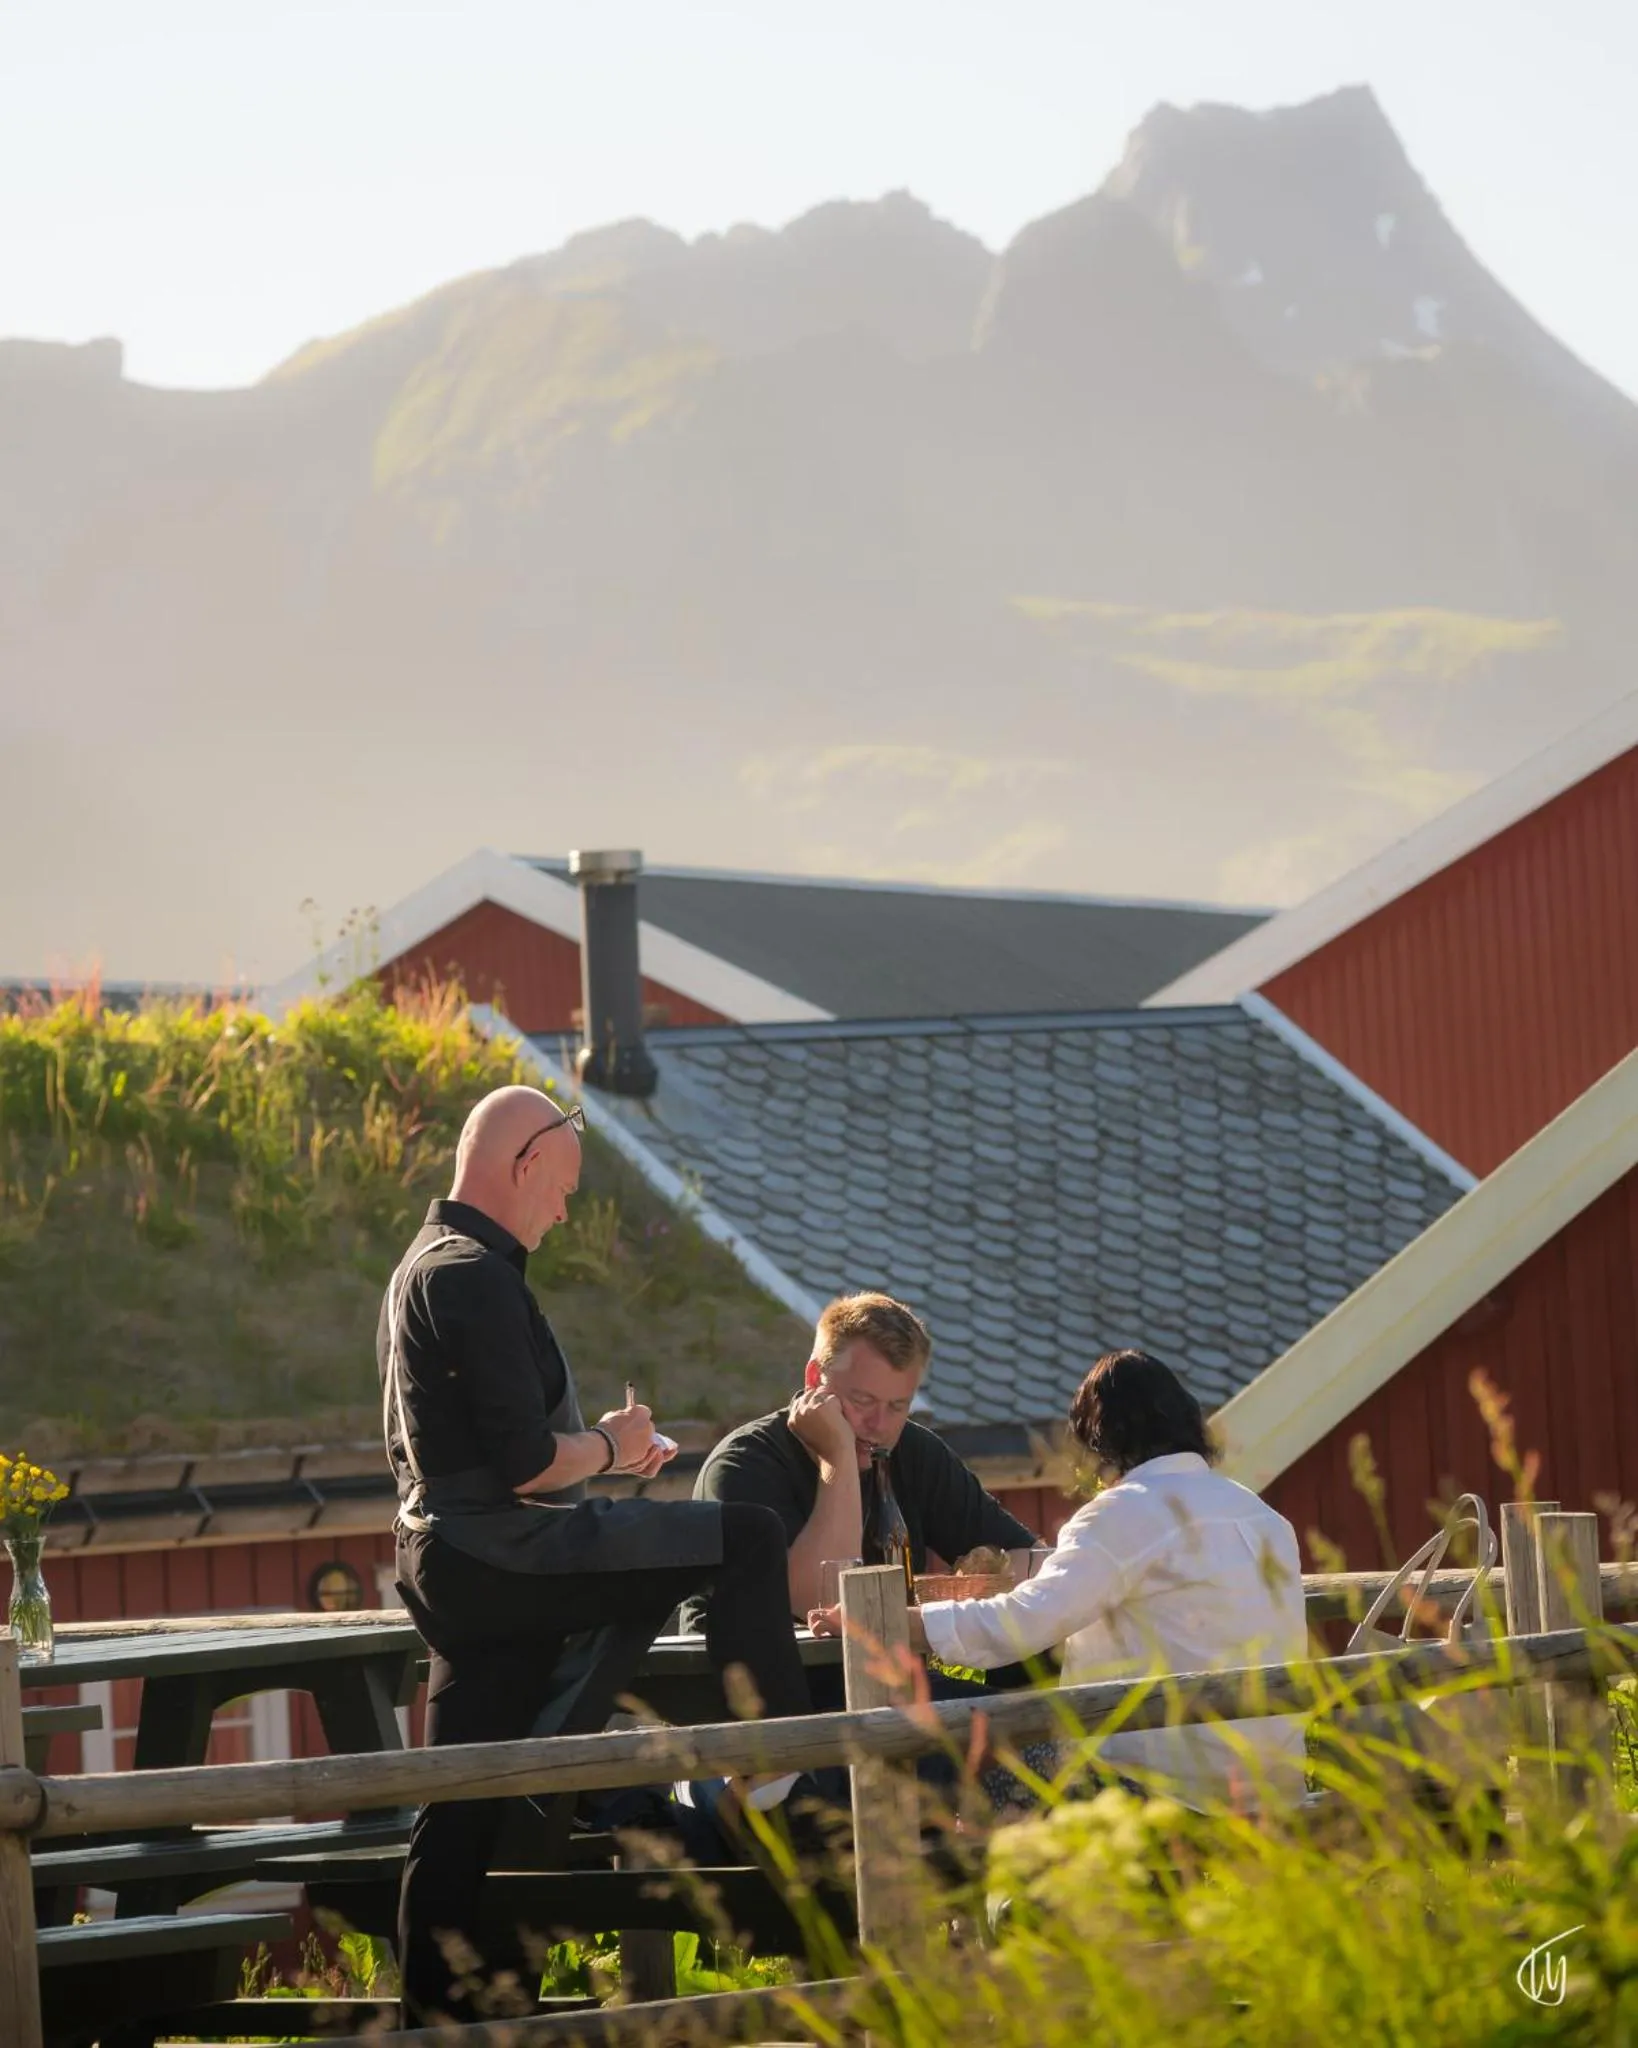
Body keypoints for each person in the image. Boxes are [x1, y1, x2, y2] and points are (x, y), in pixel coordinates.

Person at [383, 1084, 810, 2025]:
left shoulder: (423, 1264)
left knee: (464, 1799)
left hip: (449, 1560)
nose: (567, 1210)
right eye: (566, 1187)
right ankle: (776, 1775)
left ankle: (447, 2023)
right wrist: (614, 1449)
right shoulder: (472, 1275)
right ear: (526, 1161)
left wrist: (603, 1453)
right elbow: (531, 1467)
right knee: (747, 1534)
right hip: (502, 1555)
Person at [812, 1348, 1310, 1815]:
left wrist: (889, 1623)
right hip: (1274, 1786)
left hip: (1168, 1785)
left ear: (1097, 1440)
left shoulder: (1124, 1511)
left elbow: (1020, 1624)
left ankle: (1011, 1903)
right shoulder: (1260, 1513)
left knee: (980, 1745)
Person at [691, 1291, 1036, 1633]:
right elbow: (818, 1602)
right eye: (862, 1400)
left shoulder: (915, 1451)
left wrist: (960, 1593)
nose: (879, 1425)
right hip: (762, 1680)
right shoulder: (742, 1465)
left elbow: (1029, 1559)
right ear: (814, 1379)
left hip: (888, 1676)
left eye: (898, 1406)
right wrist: (838, 1457)